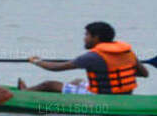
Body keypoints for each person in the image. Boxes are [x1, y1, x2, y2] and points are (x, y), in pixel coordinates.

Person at [17, 21, 148, 94]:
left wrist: (37, 61)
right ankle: (63, 94)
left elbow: (56, 68)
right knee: (78, 81)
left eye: (87, 35)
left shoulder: (93, 56)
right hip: (125, 94)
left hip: (102, 97)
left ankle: (24, 93)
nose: (84, 38)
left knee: (49, 84)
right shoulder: (128, 52)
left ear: (96, 37)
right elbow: (144, 74)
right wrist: (118, 70)